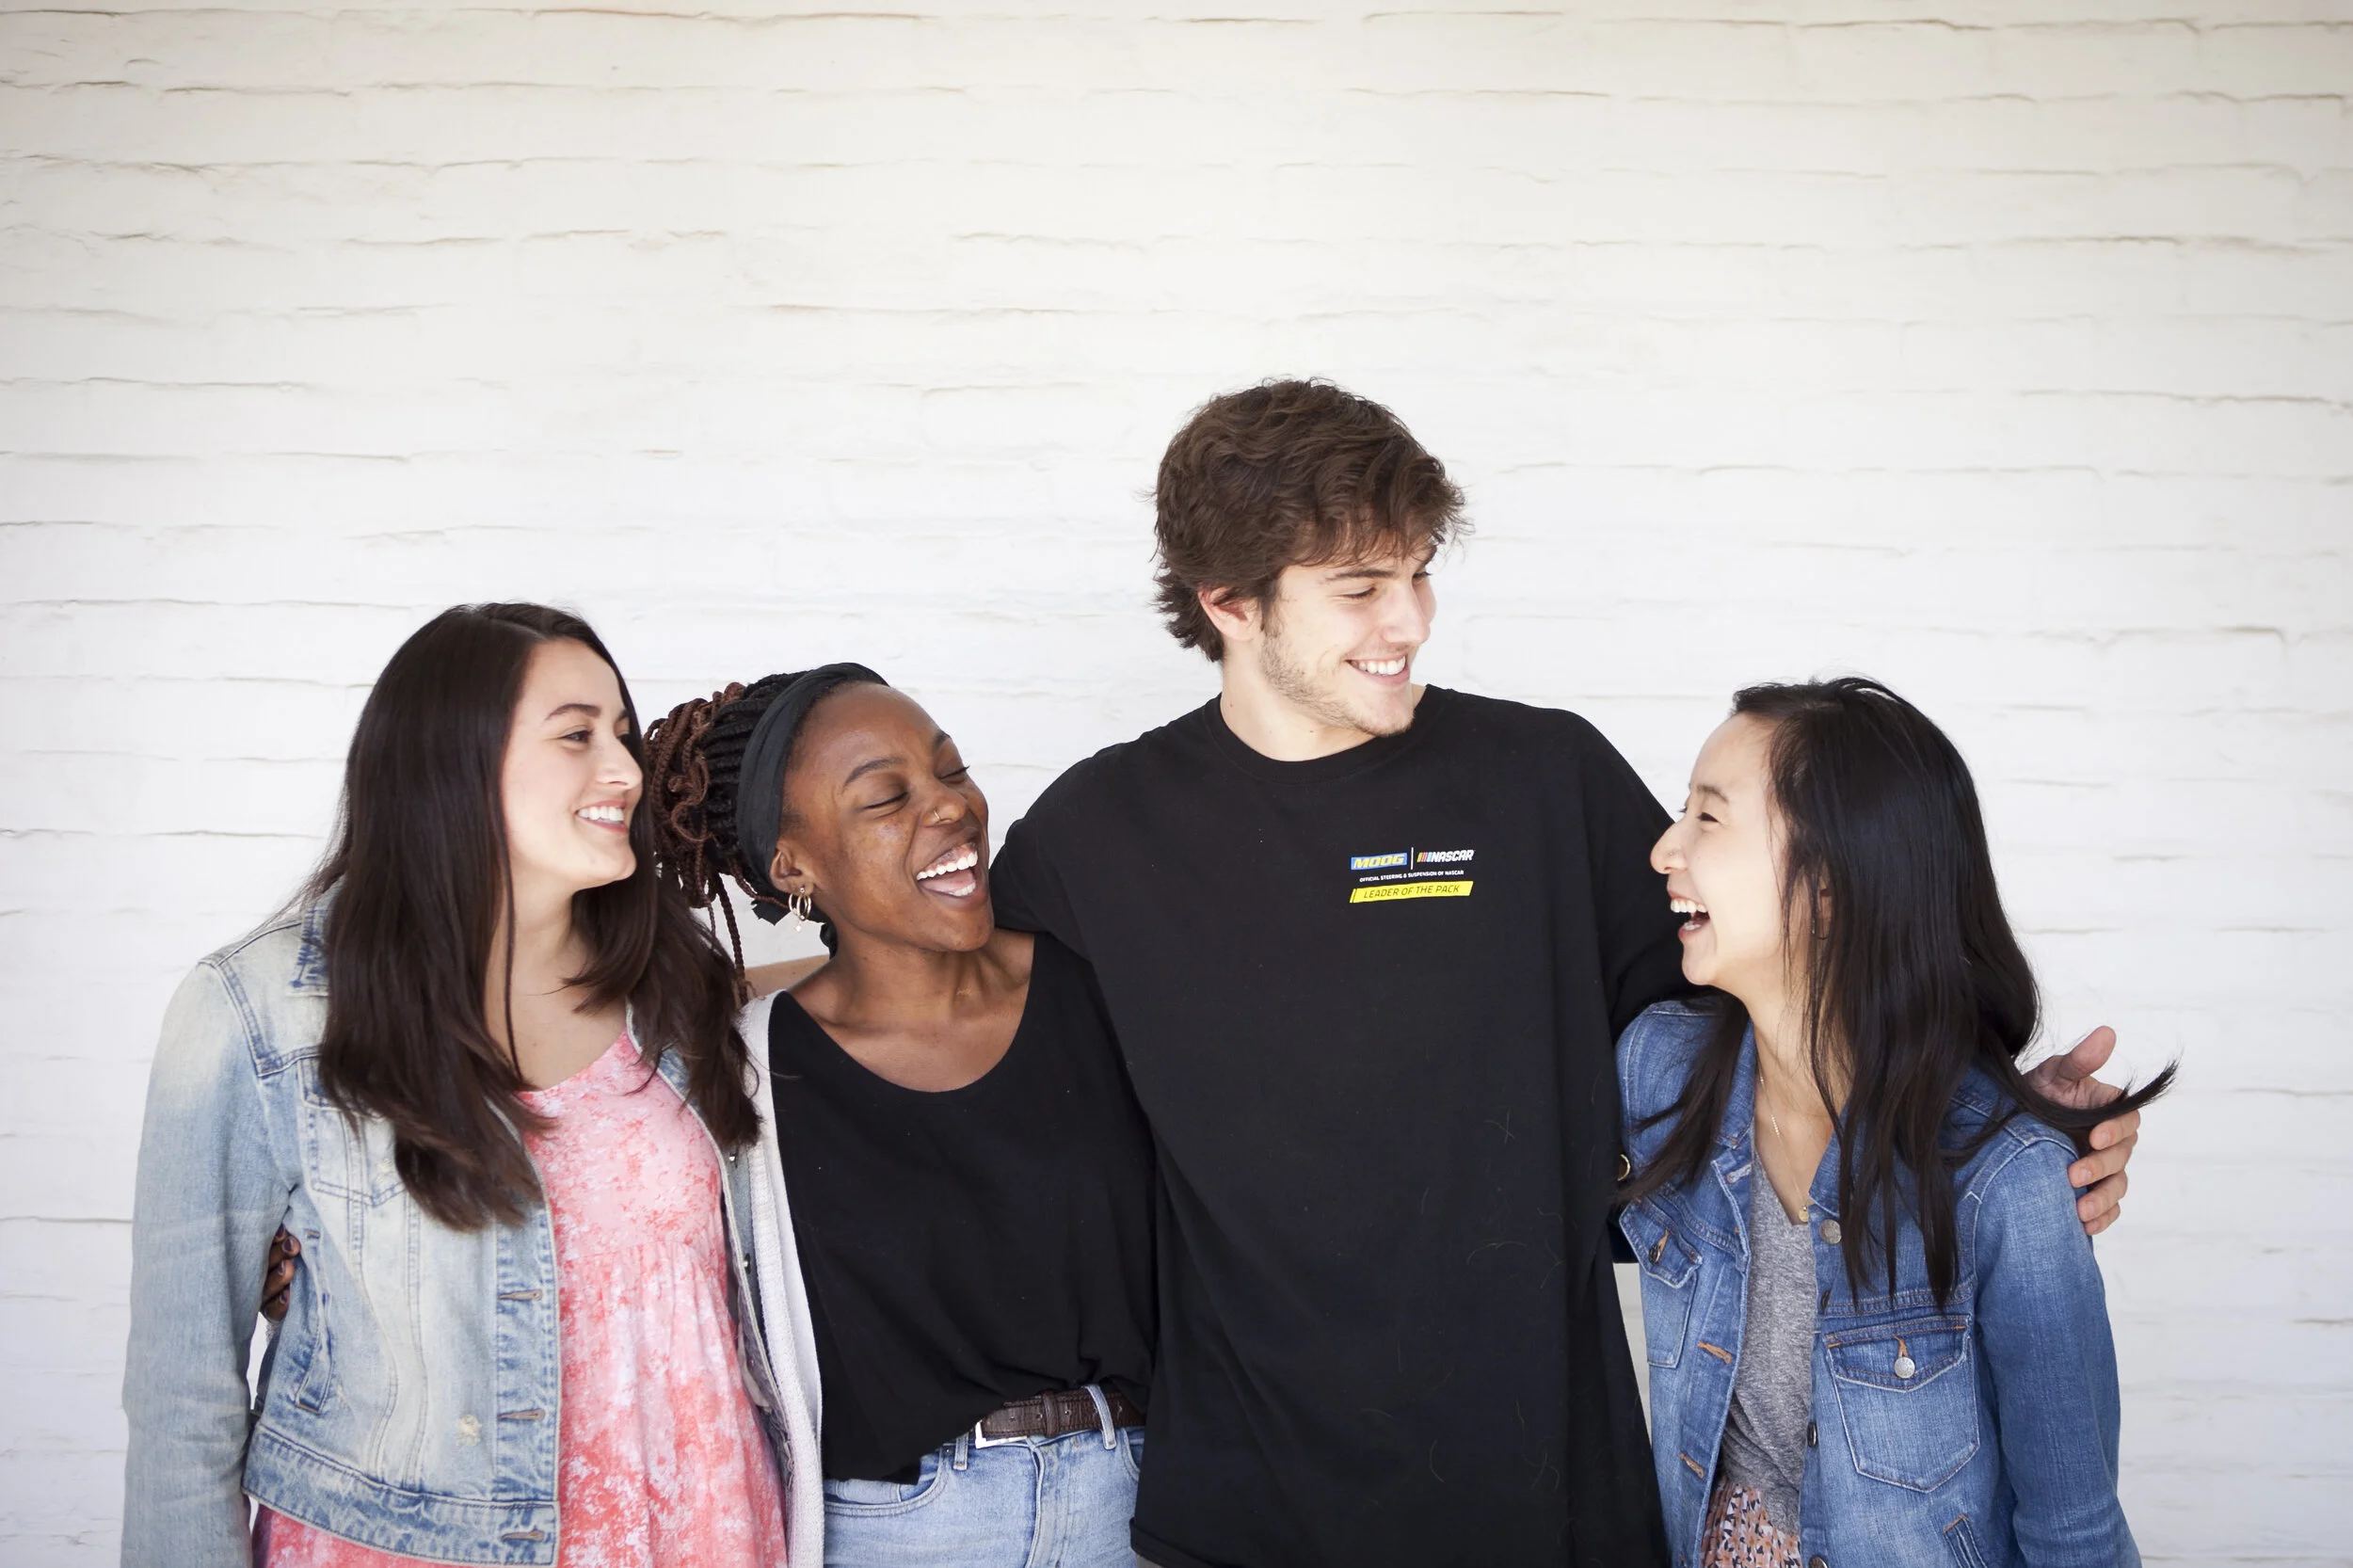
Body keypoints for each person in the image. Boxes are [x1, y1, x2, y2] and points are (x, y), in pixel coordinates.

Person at [984, 379, 2149, 1567]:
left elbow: (1773, 1033)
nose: (1410, 619)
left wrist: (1979, 1131)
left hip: (1550, 1513)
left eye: (1419, 570)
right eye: (1361, 587)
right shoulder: (1091, 840)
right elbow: (989, 1117)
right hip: (1241, 1522)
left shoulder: (1544, 779)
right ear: (1228, 601)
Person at [122, 603, 815, 1568]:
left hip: (701, 1529)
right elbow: (182, 1399)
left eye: (621, 734)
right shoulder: (261, 1014)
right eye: (575, 735)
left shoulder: (672, 987)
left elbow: (850, 998)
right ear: (450, 761)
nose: (624, 770)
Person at [1621, 677, 2168, 1567]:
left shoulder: (2006, 1183)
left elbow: (2075, 1531)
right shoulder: (1658, 1072)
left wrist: (2026, 1141)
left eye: (1709, 818)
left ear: (1830, 887)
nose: (1663, 849)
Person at [640, 665, 1155, 1568]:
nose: (950, 805)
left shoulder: (1103, 988)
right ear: (792, 865)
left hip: (1133, 1503)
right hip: (899, 1531)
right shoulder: (747, 1065)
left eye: (951, 771)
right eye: (886, 797)